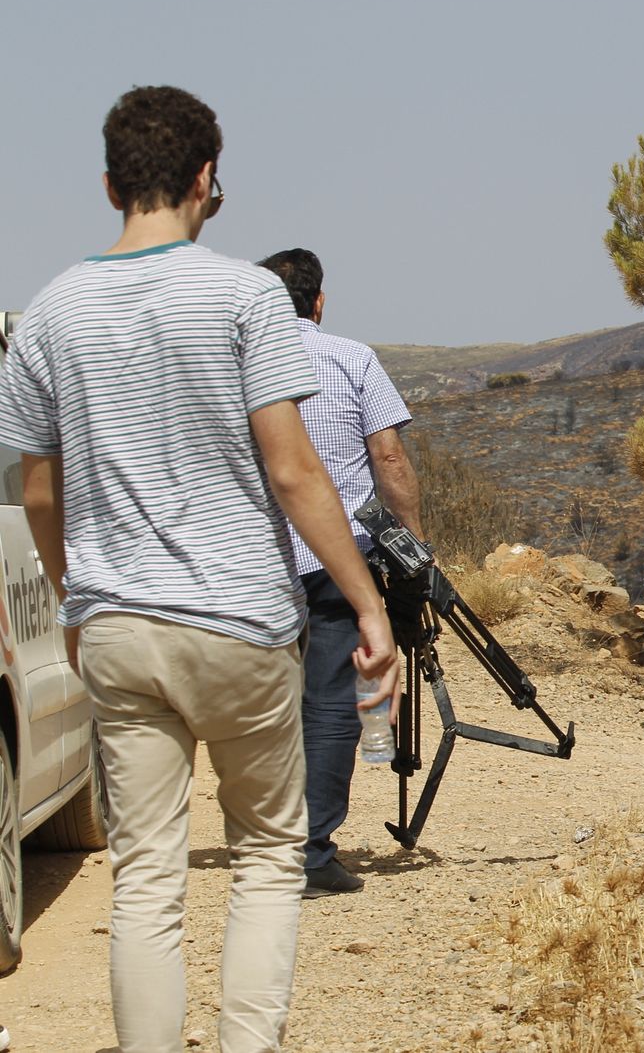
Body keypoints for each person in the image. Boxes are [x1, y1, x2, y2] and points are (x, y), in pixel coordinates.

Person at [0, 86, 399, 1052]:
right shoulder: (247, 296)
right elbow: (294, 468)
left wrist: (74, 599)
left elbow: (39, 490)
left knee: (147, 873)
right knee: (267, 853)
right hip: (239, 625)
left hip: (119, 629)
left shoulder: (49, 313)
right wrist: (368, 604)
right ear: (206, 178)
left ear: (108, 183)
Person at [259, 248, 422, 899]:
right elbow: (390, 457)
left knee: (265, 705)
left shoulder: (241, 366)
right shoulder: (353, 358)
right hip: (339, 561)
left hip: (258, 564)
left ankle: (265, 838)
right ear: (319, 301)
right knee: (331, 707)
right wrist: (414, 543)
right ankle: (313, 850)